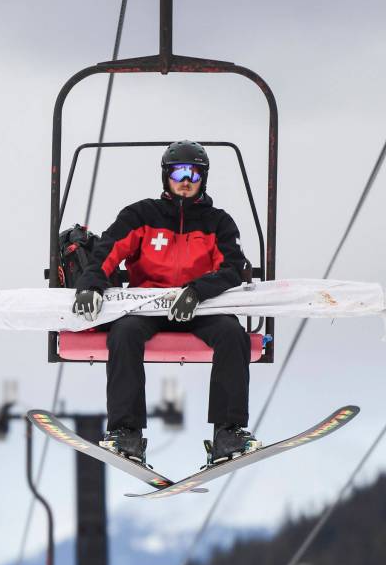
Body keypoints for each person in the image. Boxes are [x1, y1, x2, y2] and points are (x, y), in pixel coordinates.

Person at [73, 140, 261, 466]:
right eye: (178, 172)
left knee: (232, 335)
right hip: (148, 303)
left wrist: (196, 291)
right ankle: (126, 433)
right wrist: (90, 285)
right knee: (124, 333)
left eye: (194, 173)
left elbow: (233, 268)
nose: (185, 180)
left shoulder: (218, 223)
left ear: (204, 177)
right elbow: (107, 251)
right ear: (166, 176)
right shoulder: (141, 215)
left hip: (199, 306)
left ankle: (227, 432)